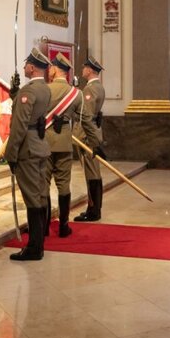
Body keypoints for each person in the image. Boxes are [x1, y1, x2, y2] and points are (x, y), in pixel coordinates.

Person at [43, 53, 101, 238]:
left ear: (54, 69)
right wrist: (95, 143)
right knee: (63, 185)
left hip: (43, 145)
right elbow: (87, 121)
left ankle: (43, 226)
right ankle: (63, 226)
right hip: (64, 145)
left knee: (42, 185)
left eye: (51, 67)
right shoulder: (76, 94)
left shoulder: (44, 90)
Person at [5, 48, 52, 261]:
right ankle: (39, 239)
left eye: (26, 65)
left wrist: (11, 154)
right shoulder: (45, 89)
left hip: (28, 150)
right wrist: (15, 94)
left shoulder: (29, 92)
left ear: (32, 67)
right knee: (41, 194)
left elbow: (19, 125)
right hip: (41, 146)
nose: (24, 68)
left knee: (32, 198)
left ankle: (34, 248)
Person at [74, 55, 107, 222]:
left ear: (91, 70)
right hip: (92, 133)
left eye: (85, 67)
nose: (83, 69)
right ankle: (93, 208)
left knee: (91, 173)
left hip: (88, 135)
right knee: (93, 172)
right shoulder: (97, 87)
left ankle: (93, 210)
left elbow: (85, 116)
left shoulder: (91, 89)